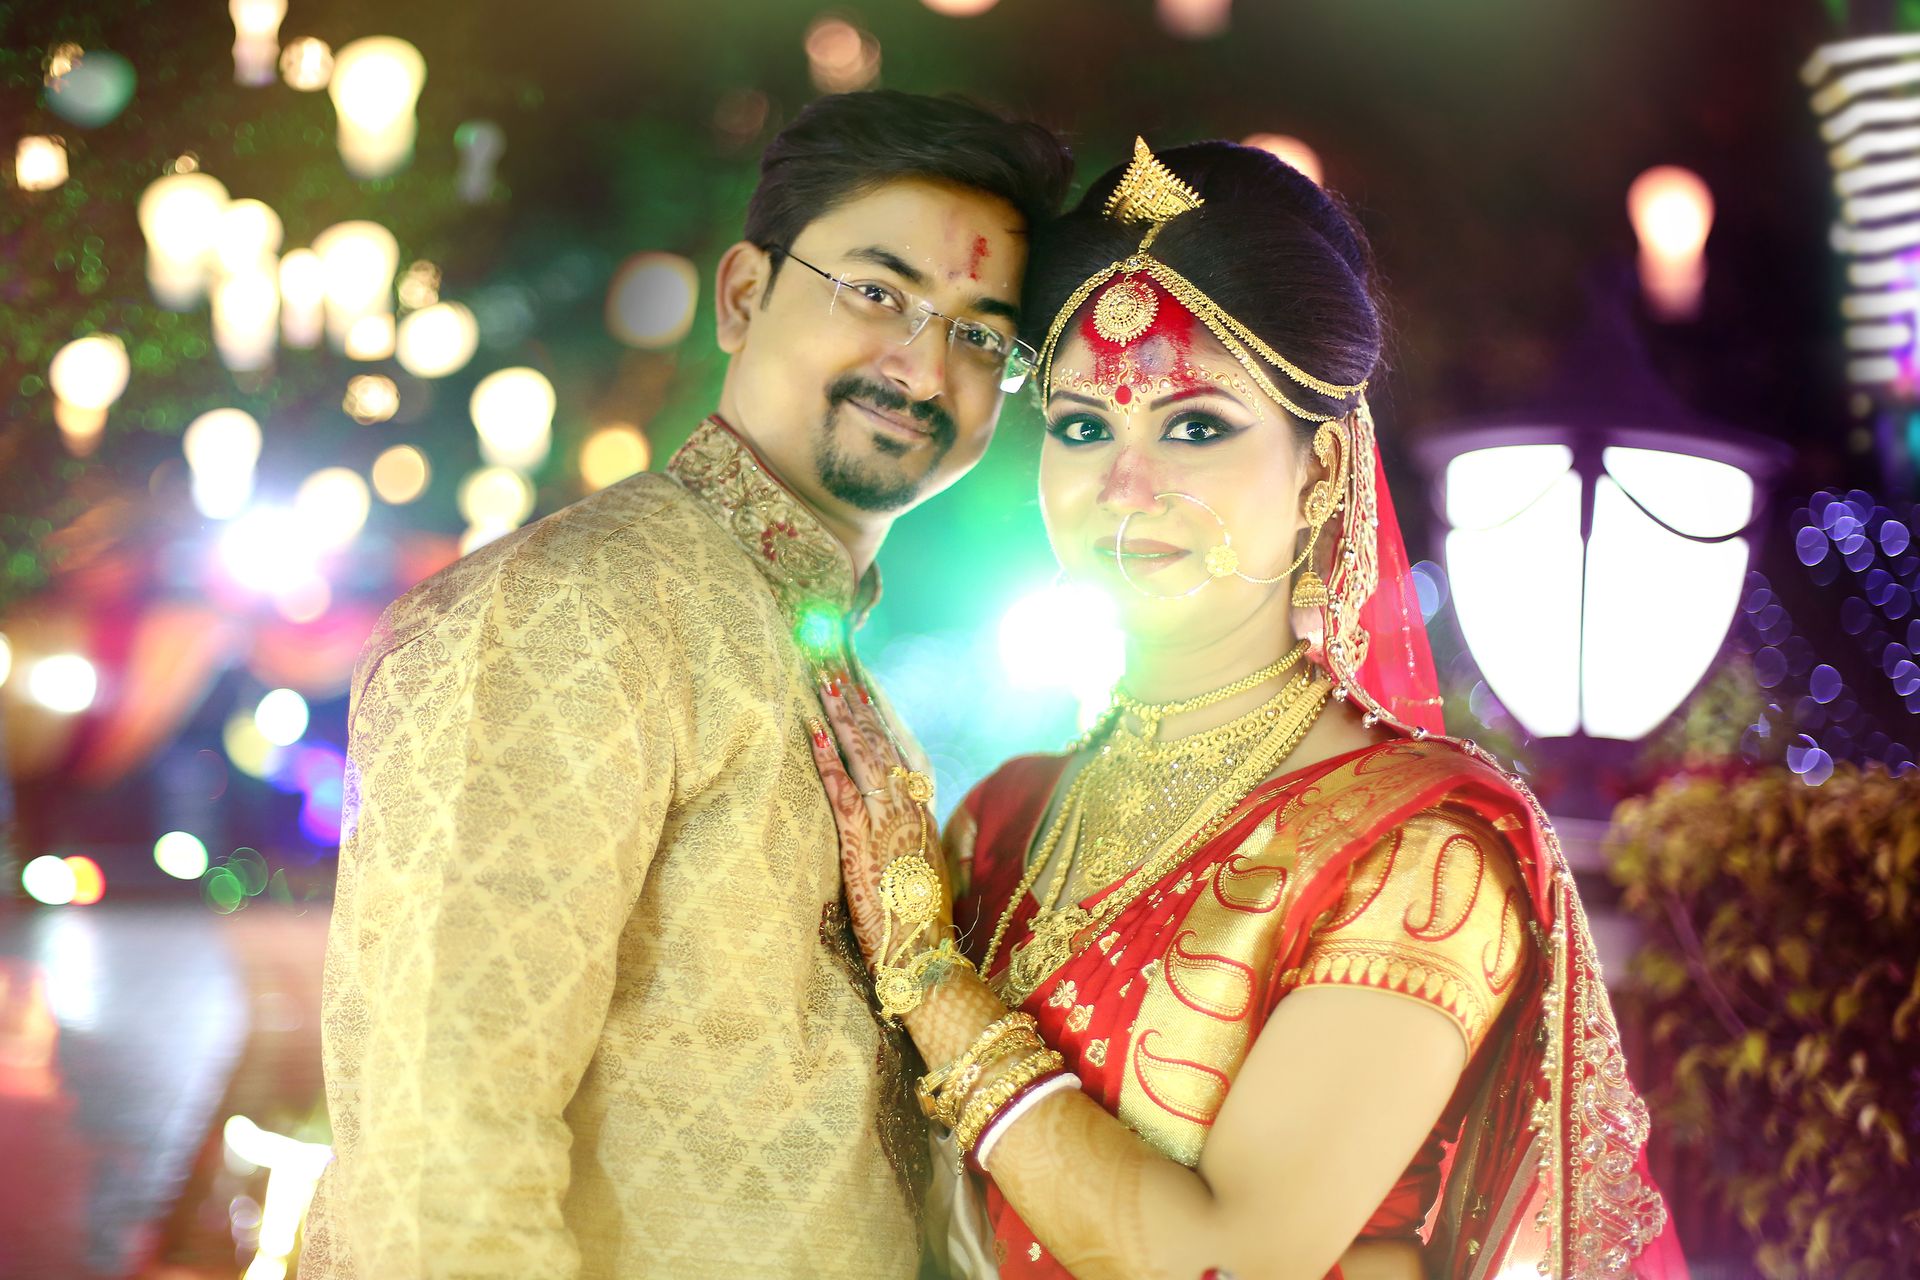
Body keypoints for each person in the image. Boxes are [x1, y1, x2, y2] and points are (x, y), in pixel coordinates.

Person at [811, 139, 1687, 1279]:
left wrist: (930, 976)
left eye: (1196, 426)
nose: (1126, 485)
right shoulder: (1000, 818)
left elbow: (1223, 1255)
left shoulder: (1415, 854)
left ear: (1322, 471)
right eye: (1082, 426)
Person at [301, 91, 1072, 1279]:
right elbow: (441, 1152)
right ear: (745, 294)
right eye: (878, 292)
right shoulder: (572, 610)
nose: (922, 365)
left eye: (981, 334)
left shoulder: (832, 657)